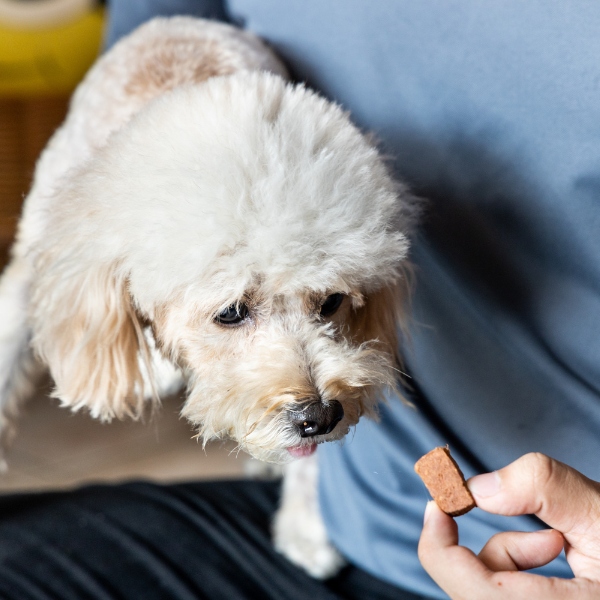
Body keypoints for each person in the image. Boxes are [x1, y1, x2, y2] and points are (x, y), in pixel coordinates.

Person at [0, 2, 598, 598]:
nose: (313, 394)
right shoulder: (120, 202)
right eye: (234, 312)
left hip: (542, 557)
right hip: (369, 520)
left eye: (330, 302)